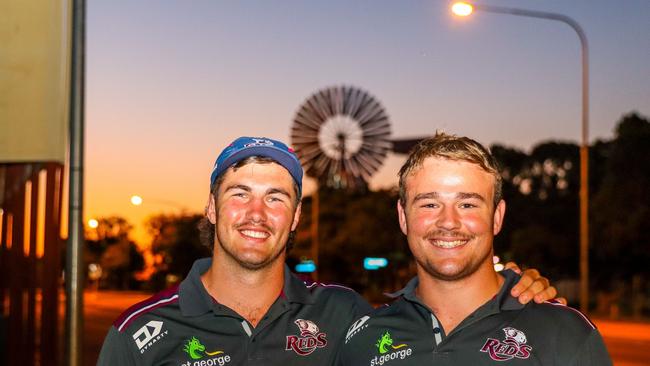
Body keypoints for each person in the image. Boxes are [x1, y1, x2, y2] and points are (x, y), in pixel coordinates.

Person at [97, 136, 559, 366]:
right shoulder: (139, 334)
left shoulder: (344, 315)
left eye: (276, 197)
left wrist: (510, 287)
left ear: (295, 217)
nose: (256, 212)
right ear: (212, 209)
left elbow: (439, 313)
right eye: (240, 193)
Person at [337, 132, 612, 365]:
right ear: (402, 216)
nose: (448, 222)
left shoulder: (565, 334)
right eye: (429, 204)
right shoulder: (364, 339)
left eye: (467, 204)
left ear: (497, 217)